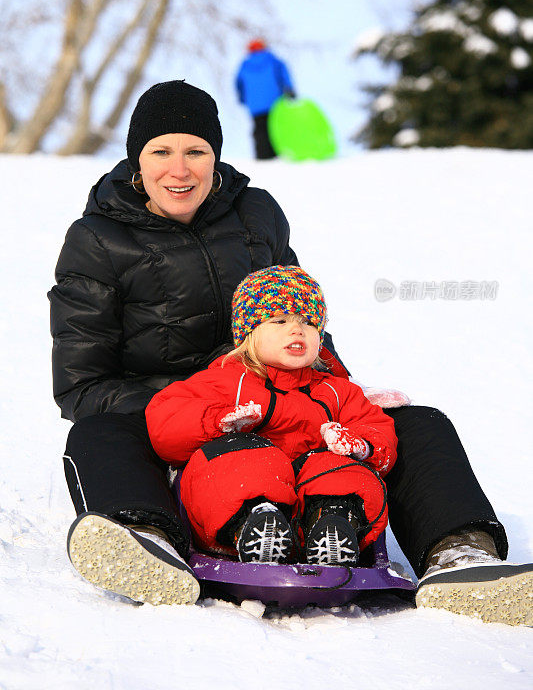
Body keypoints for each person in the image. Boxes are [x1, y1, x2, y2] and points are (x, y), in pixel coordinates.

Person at [48, 79, 525, 624]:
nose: (178, 170)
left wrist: (339, 390)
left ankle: (459, 555)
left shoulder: (256, 215)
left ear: (216, 156)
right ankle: (147, 541)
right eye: (161, 152)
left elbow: (298, 311)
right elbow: (81, 386)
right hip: (174, 412)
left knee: (417, 423)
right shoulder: (96, 240)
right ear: (137, 159)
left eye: (195, 152)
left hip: (281, 393)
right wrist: (207, 406)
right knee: (96, 430)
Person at [146, 265, 397, 566]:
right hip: (241, 498)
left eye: (308, 322)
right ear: (249, 334)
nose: (296, 330)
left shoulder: (337, 390)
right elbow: (166, 422)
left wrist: (361, 445)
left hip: (308, 506)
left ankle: (333, 526)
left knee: (342, 469)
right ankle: (256, 526)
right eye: (279, 320)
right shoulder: (226, 380)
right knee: (240, 459)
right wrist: (218, 423)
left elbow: (376, 426)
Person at [235, 39, 295, 160]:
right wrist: (290, 90)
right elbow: (284, 76)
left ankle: (262, 156)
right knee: (276, 127)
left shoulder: (245, 65)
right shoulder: (273, 61)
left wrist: (242, 99)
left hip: (255, 105)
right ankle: (279, 153)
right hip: (275, 102)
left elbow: (238, 84)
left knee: (260, 129)